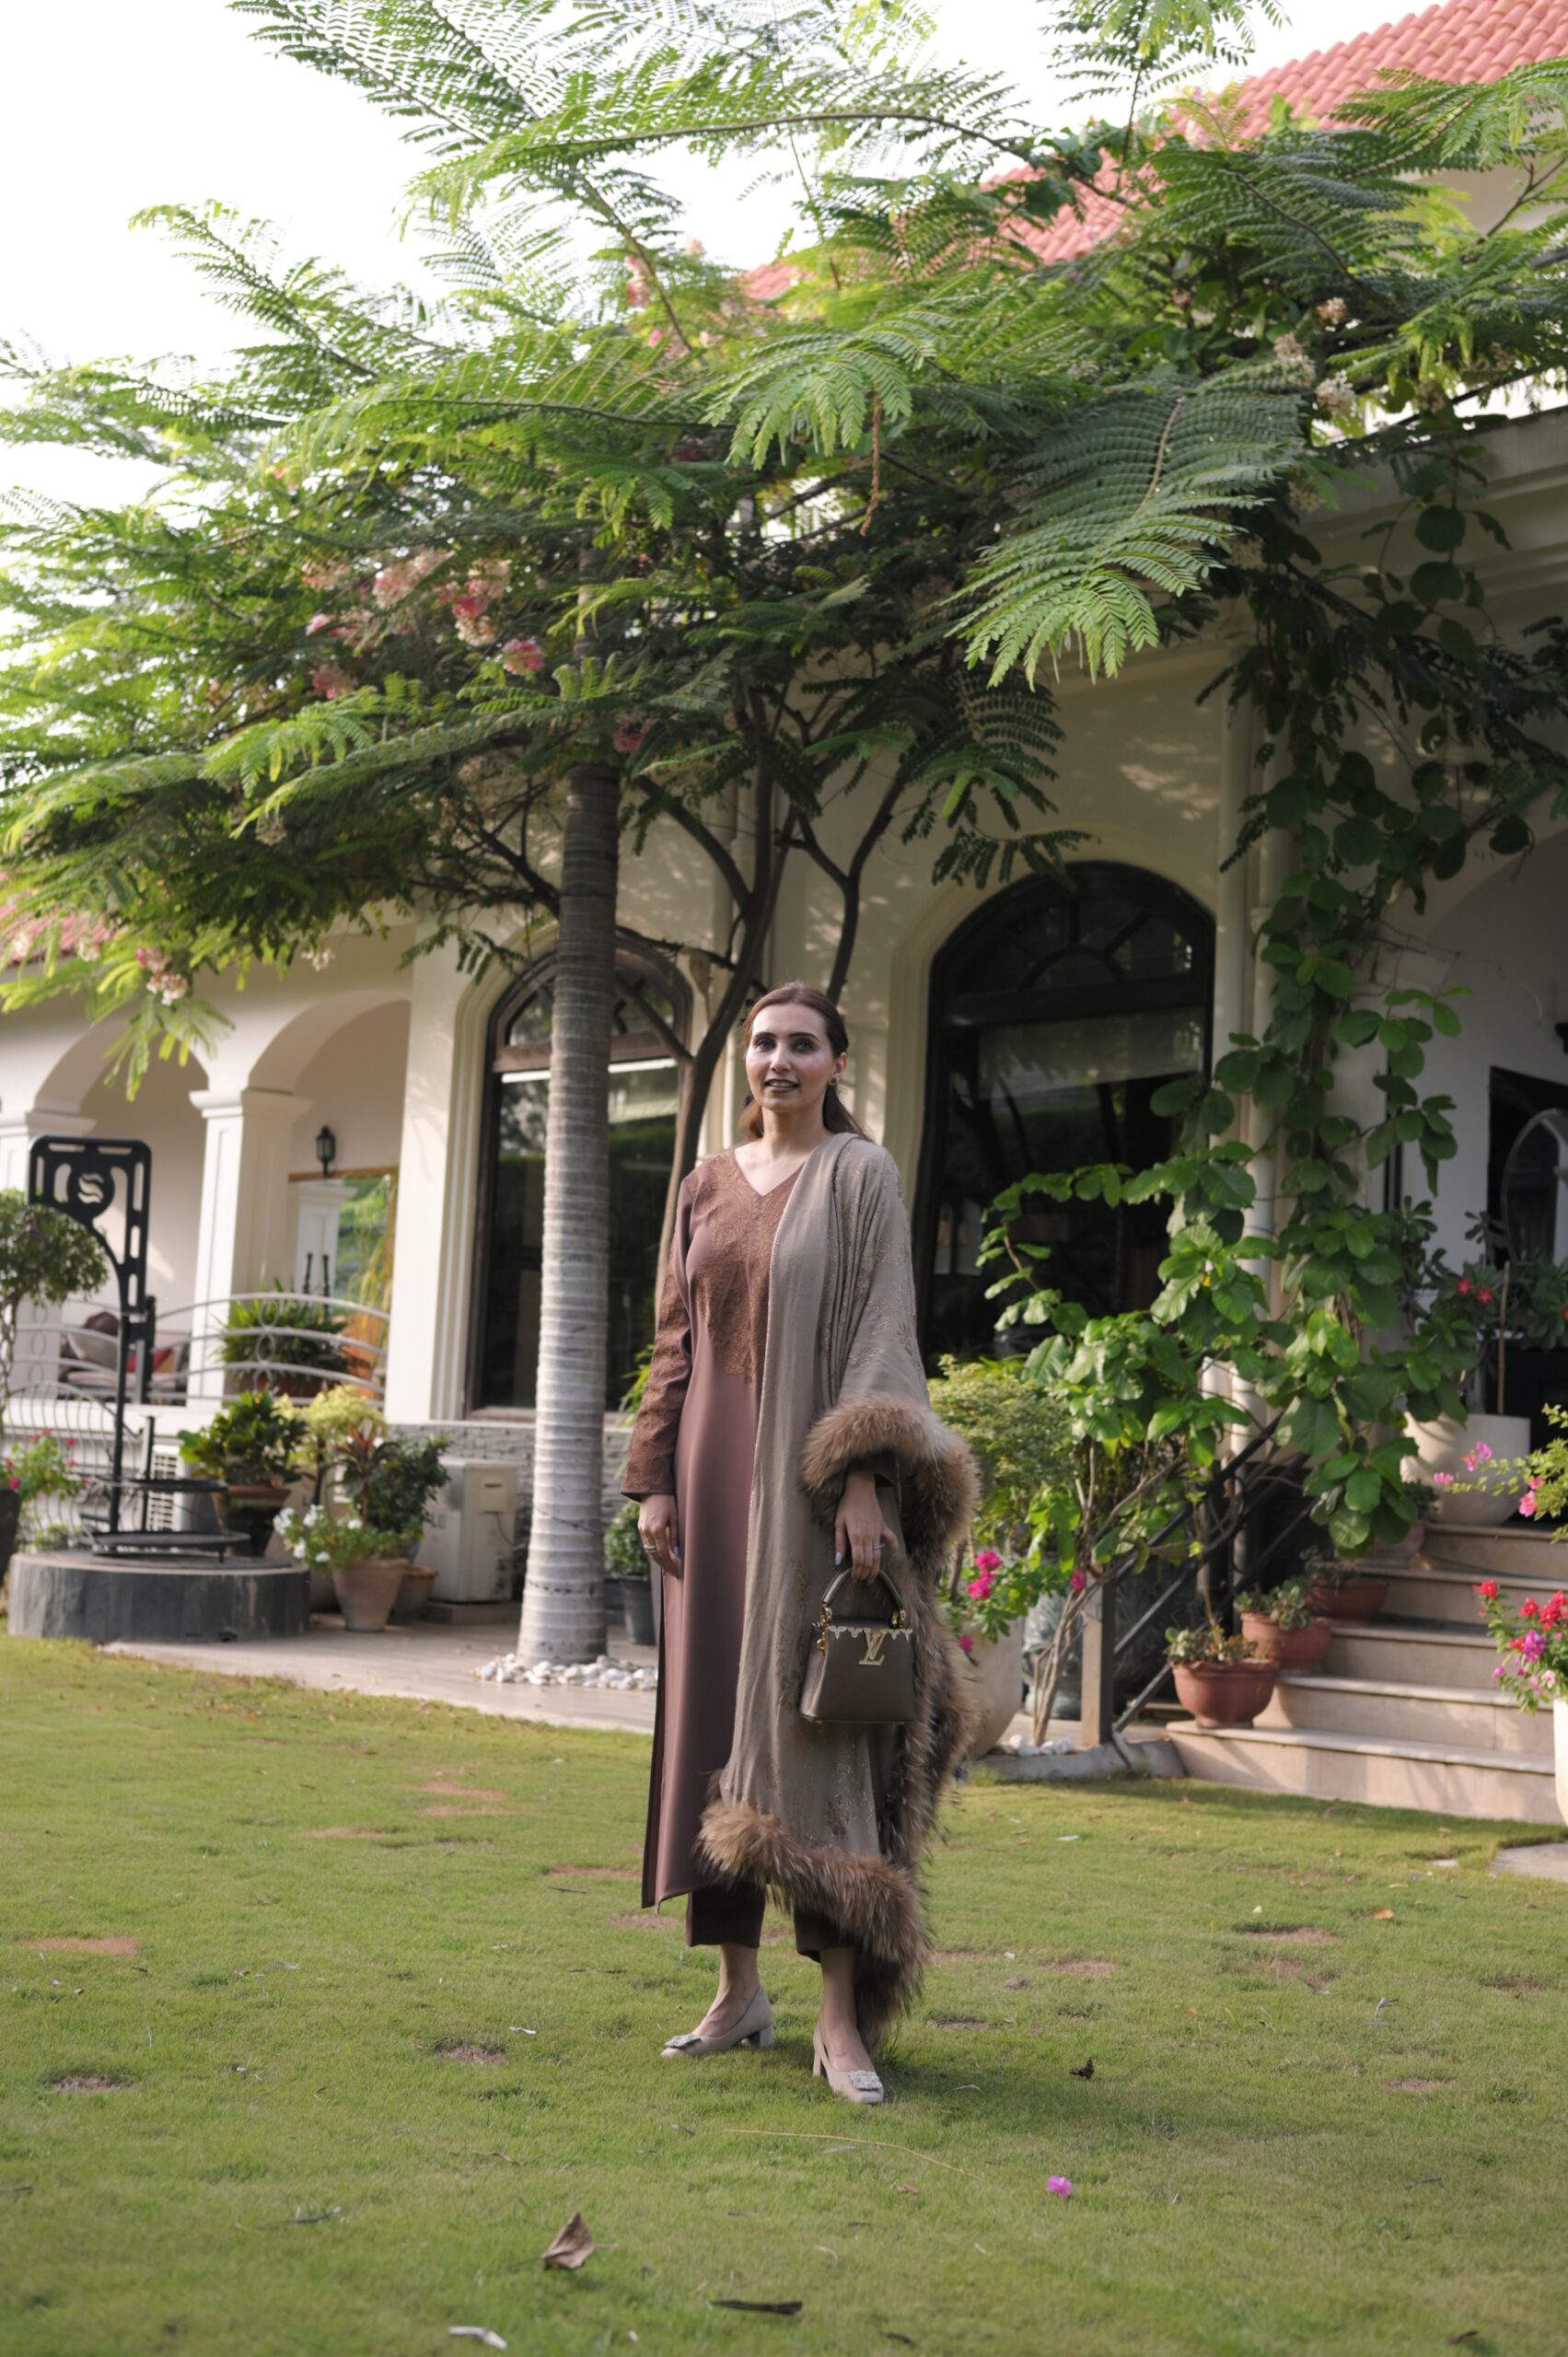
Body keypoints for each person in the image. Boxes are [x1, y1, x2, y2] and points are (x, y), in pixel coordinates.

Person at [622, 982, 975, 2104]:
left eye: (801, 1044)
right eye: (763, 1042)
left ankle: (838, 2017)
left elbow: (883, 1329)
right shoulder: (702, 1183)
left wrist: (862, 1477)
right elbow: (673, 1341)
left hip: (809, 1485)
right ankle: (736, 1992)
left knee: (820, 1729)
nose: (778, 1059)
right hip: (706, 1481)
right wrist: (653, 1478)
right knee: (710, 1725)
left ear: (835, 1062)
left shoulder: (859, 1174)